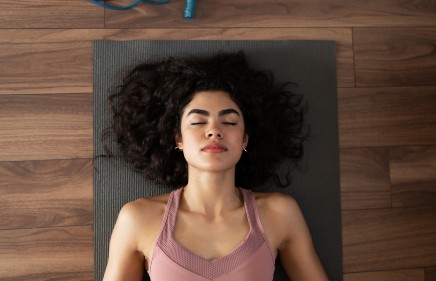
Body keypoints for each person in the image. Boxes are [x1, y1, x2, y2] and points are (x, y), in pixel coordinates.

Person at [102, 51, 329, 281]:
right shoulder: (138, 219)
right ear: (178, 139)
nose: (214, 131)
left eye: (229, 122)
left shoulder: (280, 213)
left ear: (244, 140)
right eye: (198, 121)